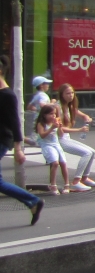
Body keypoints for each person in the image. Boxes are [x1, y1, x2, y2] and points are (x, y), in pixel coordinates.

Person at [0, 55, 43, 225]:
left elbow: (15, 123)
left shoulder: (8, 95)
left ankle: (32, 200)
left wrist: (18, 148)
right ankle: (32, 202)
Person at [56, 83, 95, 189]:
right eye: (68, 93)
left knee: (92, 152)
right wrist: (79, 130)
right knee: (86, 153)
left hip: (66, 138)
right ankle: (75, 182)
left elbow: (80, 113)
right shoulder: (58, 108)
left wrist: (86, 117)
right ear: (61, 95)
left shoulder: (69, 106)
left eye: (72, 93)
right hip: (59, 139)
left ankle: (84, 178)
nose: (71, 95)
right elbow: (60, 129)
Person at [37, 104, 75, 194]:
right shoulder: (41, 124)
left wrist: (59, 127)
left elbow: (60, 135)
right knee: (55, 163)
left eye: (54, 114)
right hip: (47, 145)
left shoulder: (55, 122)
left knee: (63, 163)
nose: (53, 116)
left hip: (56, 144)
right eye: (50, 114)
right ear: (44, 115)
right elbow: (42, 135)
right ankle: (53, 185)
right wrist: (52, 128)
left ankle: (67, 184)